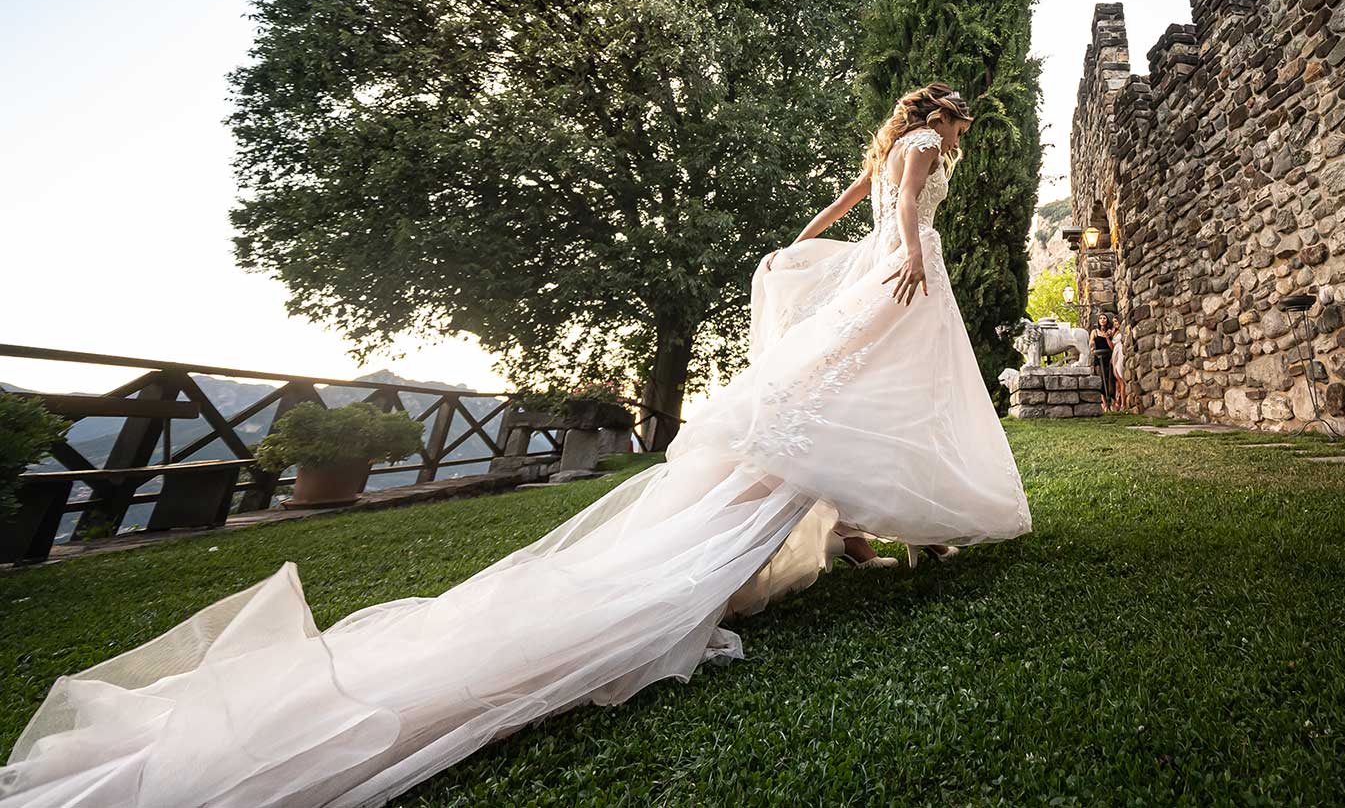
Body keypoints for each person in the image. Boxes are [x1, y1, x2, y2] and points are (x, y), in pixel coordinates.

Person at [0, 82, 1030, 808]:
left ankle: (865, 525)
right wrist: (897, 269)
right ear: (939, 118)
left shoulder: (888, 147)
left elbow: (837, 211)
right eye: (959, 123)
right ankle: (882, 524)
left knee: (835, 407)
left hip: (891, 273)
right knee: (855, 405)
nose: (959, 137)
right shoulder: (922, 152)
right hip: (904, 276)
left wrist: (797, 255)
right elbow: (895, 213)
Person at [1089, 310, 1118, 410]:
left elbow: (1112, 347)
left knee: (1110, 378)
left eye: (1104, 318)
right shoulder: (1095, 332)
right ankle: (1104, 403)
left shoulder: (1109, 332)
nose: (1102, 320)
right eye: (1100, 318)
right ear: (1098, 320)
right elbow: (1091, 343)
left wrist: (1107, 338)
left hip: (1108, 358)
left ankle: (1112, 401)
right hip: (1098, 358)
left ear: (1107, 320)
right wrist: (1092, 346)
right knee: (1101, 379)